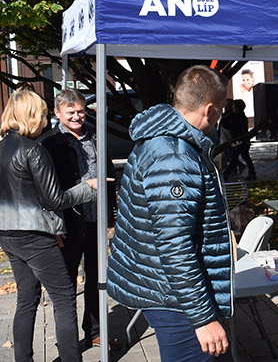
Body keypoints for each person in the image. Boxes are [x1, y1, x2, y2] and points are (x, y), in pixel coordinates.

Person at [107, 65, 232, 361]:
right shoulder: (173, 156)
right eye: (222, 110)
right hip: (174, 299)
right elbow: (176, 248)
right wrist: (203, 318)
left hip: (166, 290)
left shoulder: (171, 145)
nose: (220, 117)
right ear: (210, 109)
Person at [0, 89, 99, 362]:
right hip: (34, 236)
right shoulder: (34, 150)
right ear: (33, 115)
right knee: (65, 299)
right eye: (42, 112)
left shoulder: (3, 146)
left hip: (8, 234)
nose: (45, 118)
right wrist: (88, 187)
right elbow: (55, 199)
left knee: (26, 299)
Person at [39, 89, 118, 349]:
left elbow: (109, 175)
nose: (77, 116)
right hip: (67, 224)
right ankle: (69, 340)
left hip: (95, 220)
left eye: (81, 110)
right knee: (67, 283)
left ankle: (94, 331)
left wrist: (110, 215)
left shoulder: (96, 136)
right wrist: (52, 225)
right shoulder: (49, 143)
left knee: (98, 278)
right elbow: (44, 190)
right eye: (70, 111)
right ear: (57, 113)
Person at [223, 99, 257, 181]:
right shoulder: (237, 115)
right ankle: (252, 173)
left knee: (236, 157)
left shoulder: (239, 116)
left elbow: (237, 128)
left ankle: (227, 173)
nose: (232, 108)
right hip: (239, 140)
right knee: (241, 157)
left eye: (234, 106)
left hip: (241, 140)